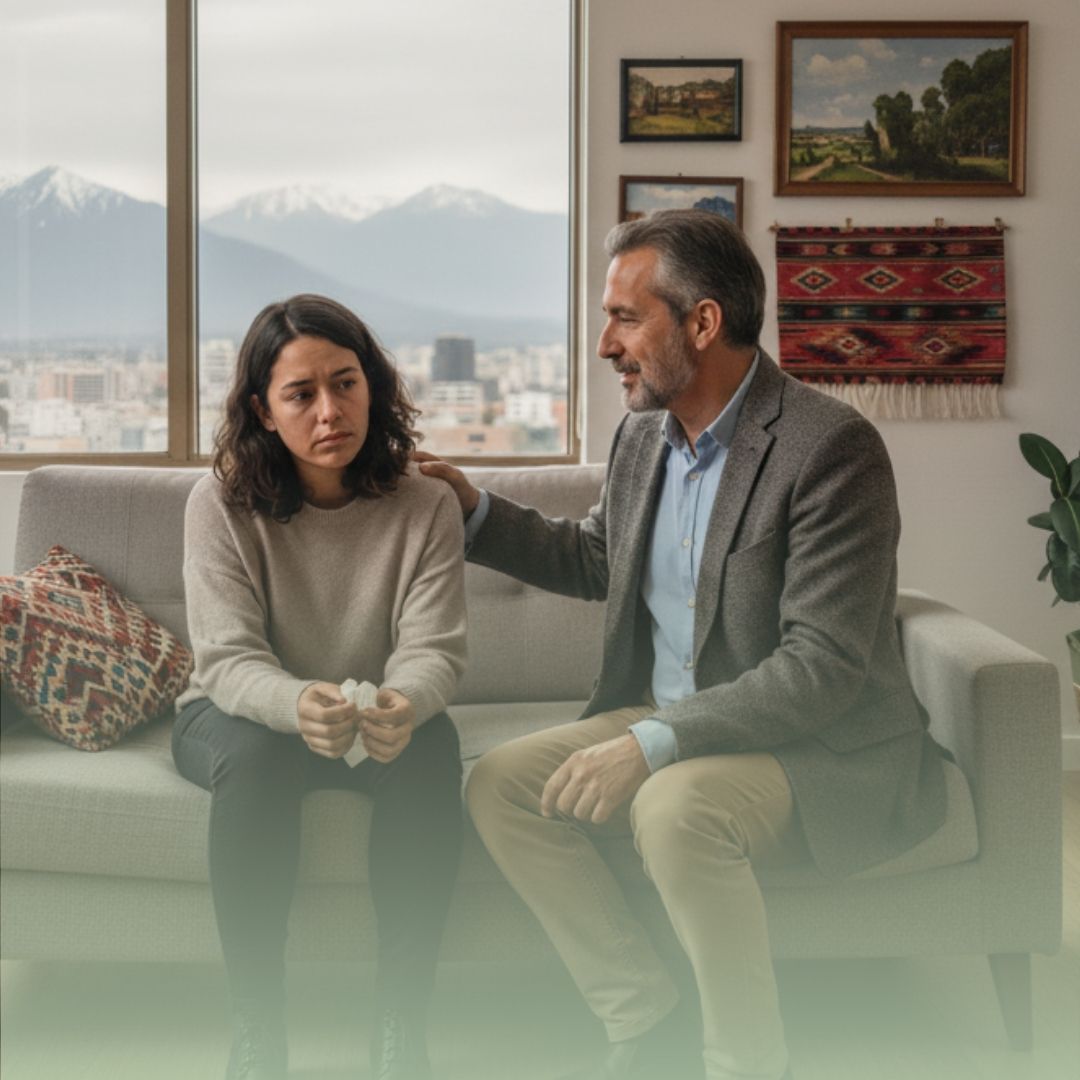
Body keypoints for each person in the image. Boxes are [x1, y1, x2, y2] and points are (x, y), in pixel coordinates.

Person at [417, 210, 947, 1080]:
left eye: (625, 318)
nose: (604, 345)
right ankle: (644, 1014)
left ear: (702, 323)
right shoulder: (643, 437)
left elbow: (820, 667)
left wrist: (650, 745)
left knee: (672, 808)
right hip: (669, 713)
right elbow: (600, 559)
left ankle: (745, 1060)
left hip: (813, 744)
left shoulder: (831, 449)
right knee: (501, 787)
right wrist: (472, 509)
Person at [173, 294, 467, 1080]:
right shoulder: (221, 504)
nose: (330, 410)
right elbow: (228, 660)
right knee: (260, 758)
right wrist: (296, 704)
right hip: (235, 714)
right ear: (264, 411)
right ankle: (257, 1033)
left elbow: (435, 648)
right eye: (301, 394)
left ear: (373, 384)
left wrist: (404, 703)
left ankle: (402, 1027)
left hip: (365, 716)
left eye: (346, 382)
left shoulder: (427, 505)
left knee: (434, 746)